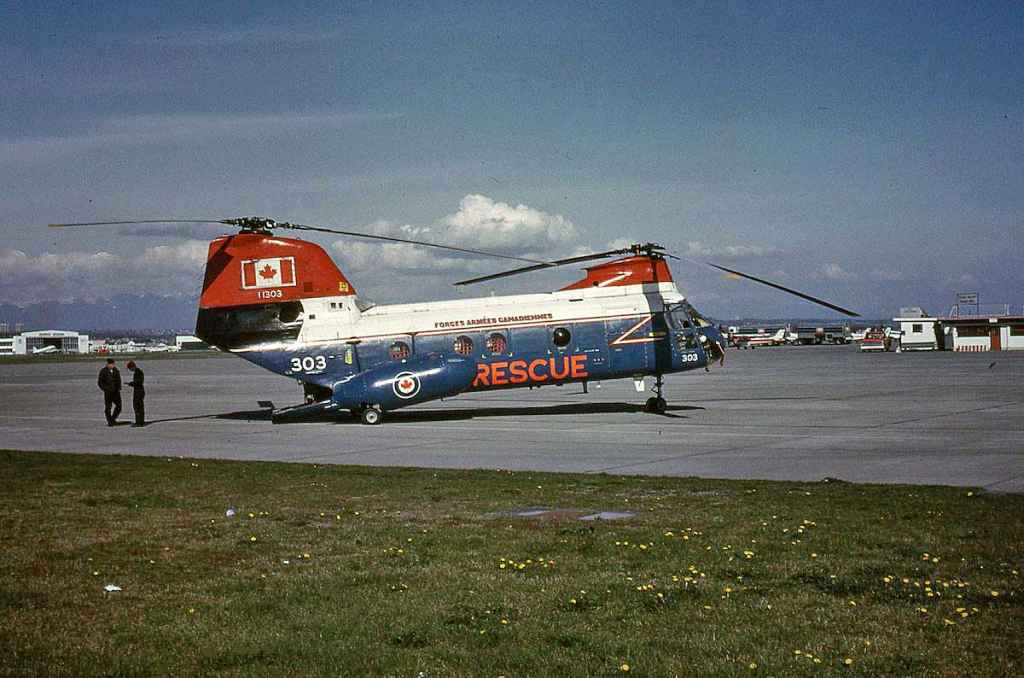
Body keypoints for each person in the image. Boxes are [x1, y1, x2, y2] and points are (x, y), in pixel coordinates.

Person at [97, 358, 122, 426]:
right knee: (108, 407)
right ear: (108, 364)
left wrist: (119, 387)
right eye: (112, 364)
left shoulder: (116, 370)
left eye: (113, 364)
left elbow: (118, 379)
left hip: (116, 392)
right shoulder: (103, 371)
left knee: (119, 406)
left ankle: (113, 419)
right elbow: (100, 382)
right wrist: (105, 389)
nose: (113, 365)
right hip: (108, 392)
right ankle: (110, 421)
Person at [126, 360, 145, 427]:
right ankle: (141, 421)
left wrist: (131, 383)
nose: (130, 370)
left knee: (137, 407)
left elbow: (138, 382)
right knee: (139, 407)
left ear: (132, 367)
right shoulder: (138, 372)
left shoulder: (138, 372)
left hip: (138, 391)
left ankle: (139, 422)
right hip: (139, 391)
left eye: (130, 368)